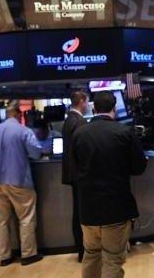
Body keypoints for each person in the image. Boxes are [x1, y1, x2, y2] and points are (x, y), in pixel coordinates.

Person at [71, 91, 147, 278]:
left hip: (87, 210)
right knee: (112, 259)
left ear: (94, 108)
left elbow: (74, 167)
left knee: (91, 255)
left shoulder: (79, 133)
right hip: (116, 209)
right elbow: (139, 167)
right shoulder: (124, 132)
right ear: (114, 108)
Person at [0, 101, 43, 266]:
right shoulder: (24, 131)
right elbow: (36, 153)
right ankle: (28, 255)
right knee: (26, 218)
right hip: (19, 181)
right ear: (19, 114)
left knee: (1, 220)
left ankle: (4, 256)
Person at [62, 90, 89, 262]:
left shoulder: (68, 120)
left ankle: (82, 249)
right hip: (80, 174)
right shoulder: (78, 121)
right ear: (81, 101)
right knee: (81, 213)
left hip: (73, 174)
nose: (88, 105)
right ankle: (83, 250)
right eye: (87, 102)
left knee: (78, 212)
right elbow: (83, 150)